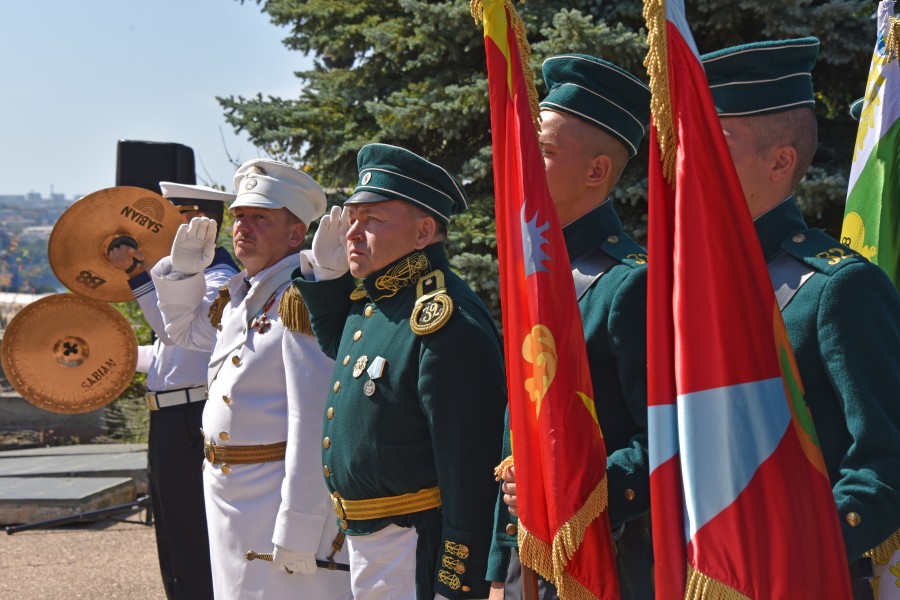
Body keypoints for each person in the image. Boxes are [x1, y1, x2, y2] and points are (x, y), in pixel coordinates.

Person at [701, 37, 900, 596]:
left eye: (714, 143)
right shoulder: (685, 290)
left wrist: (792, 551)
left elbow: (884, 463)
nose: (685, 161)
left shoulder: (836, 289)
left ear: (780, 161)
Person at [291, 143, 506, 600]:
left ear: (424, 231)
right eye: (352, 218)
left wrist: (457, 580)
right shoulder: (381, 301)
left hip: (414, 542)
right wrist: (328, 279)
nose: (353, 232)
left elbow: (469, 469)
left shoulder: (445, 321)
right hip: (374, 539)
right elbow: (346, 350)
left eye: (373, 221)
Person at [486, 55, 653, 600]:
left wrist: (574, 492)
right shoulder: (533, 274)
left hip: (604, 558)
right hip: (525, 564)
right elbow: (520, 432)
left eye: (544, 153)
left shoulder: (630, 285)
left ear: (597, 171)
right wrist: (496, 569)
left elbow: (663, 440)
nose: (523, 165)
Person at [150, 159, 351, 600]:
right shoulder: (243, 296)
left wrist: (300, 524)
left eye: (261, 217)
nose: (244, 226)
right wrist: (184, 273)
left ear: (296, 234)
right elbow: (184, 333)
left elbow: (315, 421)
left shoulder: (302, 299)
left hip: (272, 495)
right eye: (240, 216)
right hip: (228, 490)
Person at [108, 182, 238, 600]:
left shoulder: (221, 275)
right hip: (170, 415)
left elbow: (176, 331)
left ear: (197, 222)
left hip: (191, 416)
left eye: (173, 214)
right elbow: (167, 349)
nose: (161, 226)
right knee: (172, 533)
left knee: (193, 537)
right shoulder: (180, 275)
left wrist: (137, 275)